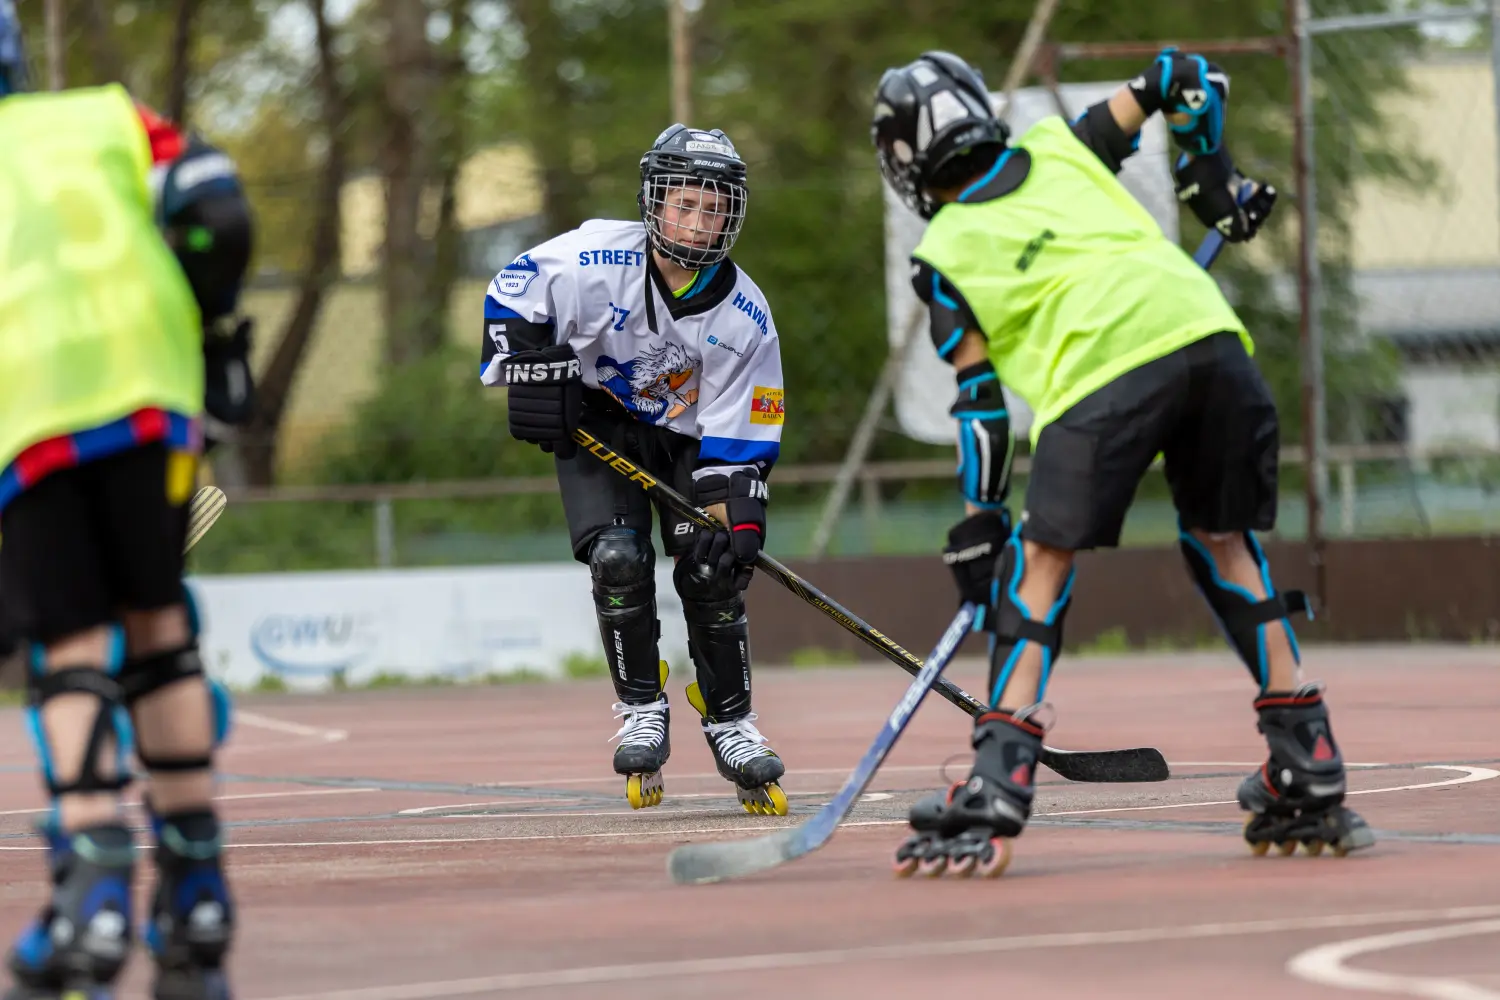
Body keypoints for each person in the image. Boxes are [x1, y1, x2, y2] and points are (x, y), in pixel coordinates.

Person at [869, 50, 1373, 877]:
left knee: (1038, 562)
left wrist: (981, 521)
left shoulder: (944, 253)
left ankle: (998, 780)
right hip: (1212, 345)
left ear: (903, 162)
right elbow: (1179, 74)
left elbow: (983, 407)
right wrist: (1212, 185)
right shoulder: (1063, 147)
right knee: (1223, 540)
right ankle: (1306, 756)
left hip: (1102, 380)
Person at [0, 7, 255, 996]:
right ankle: (197, 890)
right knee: (158, 630)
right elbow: (219, 211)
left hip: (29, 410)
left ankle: (97, 879)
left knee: (66, 647)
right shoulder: (106, 114)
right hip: (153, 393)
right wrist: (215, 326)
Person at [481, 123, 790, 816]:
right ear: (654, 202)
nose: (698, 221)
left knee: (714, 567)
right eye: (685, 203)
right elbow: (510, 295)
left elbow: (743, 429)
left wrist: (737, 507)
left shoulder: (746, 315)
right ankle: (641, 705)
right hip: (602, 422)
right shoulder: (591, 258)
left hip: (690, 439)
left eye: (714, 208)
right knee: (618, 558)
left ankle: (730, 718)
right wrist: (532, 370)